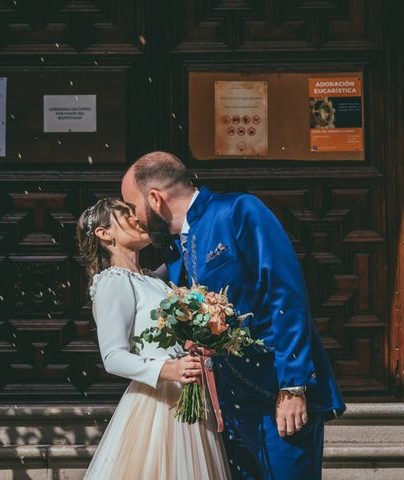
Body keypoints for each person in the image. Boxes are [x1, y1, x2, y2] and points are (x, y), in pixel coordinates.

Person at [121, 152, 346, 480]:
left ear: (155, 198)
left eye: (132, 206)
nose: (134, 218)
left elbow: (286, 293)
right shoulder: (172, 251)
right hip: (226, 407)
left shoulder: (240, 211)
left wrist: (294, 386)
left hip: (276, 395)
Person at [78, 197, 231, 480]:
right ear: (104, 233)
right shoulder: (114, 281)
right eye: (126, 214)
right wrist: (169, 369)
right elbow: (113, 357)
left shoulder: (153, 279)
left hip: (189, 395)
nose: (137, 218)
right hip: (158, 405)